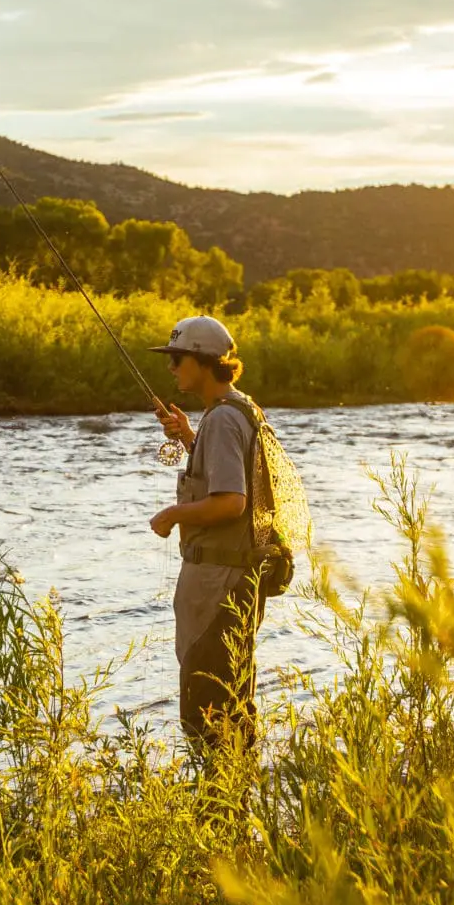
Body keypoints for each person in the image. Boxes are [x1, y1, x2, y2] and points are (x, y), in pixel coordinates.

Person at [147, 315, 266, 755]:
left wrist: (174, 513)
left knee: (210, 716)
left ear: (200, 361)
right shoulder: (241, 409)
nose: (171, 369)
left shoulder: (222, 421)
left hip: (218, 582)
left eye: (176, 359)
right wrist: (190, 438)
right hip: (237, 581)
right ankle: (237, 807)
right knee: (233, 708)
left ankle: (219, 813)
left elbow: (231, 502)